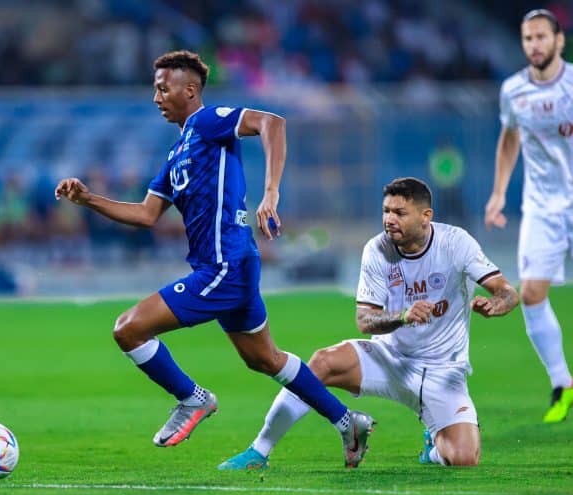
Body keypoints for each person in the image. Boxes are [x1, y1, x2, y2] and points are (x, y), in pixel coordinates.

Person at [54, 50, 374, 467]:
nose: (156, 97)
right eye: (155, 88)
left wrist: (271, 192)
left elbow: (271, 123)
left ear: (190, 90)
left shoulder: (208, 122)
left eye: (163, 88)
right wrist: (89, 199)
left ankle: (192, 398)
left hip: (224, 266)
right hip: (234, 264)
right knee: (265, 359)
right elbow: (147, 214)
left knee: (128, 329)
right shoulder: (177, 153)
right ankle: (348, 421)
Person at [219, 178, 519, 470]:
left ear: (426, 217)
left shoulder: (456, 243)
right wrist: (402, 316)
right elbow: (365, 321)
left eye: (399, 213)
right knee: (321, 362)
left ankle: (435, 445)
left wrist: (497, 304)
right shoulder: (377, 249)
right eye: (386, 211)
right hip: (389, 360)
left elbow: (507, 292)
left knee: (465, 459)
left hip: (443, 370)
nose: (390, 219)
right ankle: (258, 451)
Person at [484, 8, 573, 423]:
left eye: (541, 37)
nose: (534, 45)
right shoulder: (514, 90)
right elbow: (509, 138)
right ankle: (562, 383)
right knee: (532, 294)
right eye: (527, 38)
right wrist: (499, 193)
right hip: (542, 207)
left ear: (559, 41)